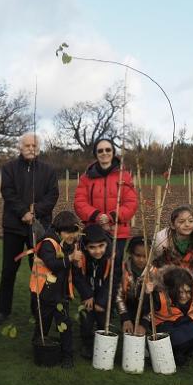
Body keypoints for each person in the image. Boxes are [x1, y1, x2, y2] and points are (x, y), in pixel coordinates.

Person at [0, 133, 59, 325]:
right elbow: (8, 192)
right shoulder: (9, 169)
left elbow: (53, 194)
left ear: (38, 148)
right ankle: (2, 310)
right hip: (14, 226)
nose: (31, 148)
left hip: (39, 228)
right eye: (27, 145)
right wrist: (23, 212)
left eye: (34, 145)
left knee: (39, 269)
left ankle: (38, 308)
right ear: (20, 147)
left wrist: (36, 210)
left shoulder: (48, 170)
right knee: (8, 270)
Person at [73, 138, 137, 297]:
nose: (104, 153)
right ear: (96, 154)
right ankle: (90, 301)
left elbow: (131, 203)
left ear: (113, 152)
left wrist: (111, 217)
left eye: (108, 150)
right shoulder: (86, 177)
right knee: (91, 268)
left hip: (117, 231)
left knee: (114, 269)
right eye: (100, 150)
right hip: (93, 230)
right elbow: (79, 202)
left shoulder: (124, 176)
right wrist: (96, 216)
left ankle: (111, 302)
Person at [31, 211, 89, 369]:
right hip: (45, 292)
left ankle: (67, 355)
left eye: (74, 231)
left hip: (61, 294)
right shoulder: (48, 243)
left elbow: (74, 272)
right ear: (58, 231)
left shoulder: (70, 244)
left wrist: (76, 262)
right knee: (43, 322)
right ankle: (38, 346)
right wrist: (70, 258)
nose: (71, 235)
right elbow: (52, 264)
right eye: (67, 232)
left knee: (65, 325)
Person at [145, 265, 193, 367]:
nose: (184, 296)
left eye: (187, 292)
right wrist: (147, 294)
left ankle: (181, 353)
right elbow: (144, 309)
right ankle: (172, 354)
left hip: (185, 321)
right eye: (180, 292)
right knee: (178, 338)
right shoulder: (159, 296)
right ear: (171, 289)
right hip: (164, 325)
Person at [77, 224, 113, 359]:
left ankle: (102, 345)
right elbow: (78, 276)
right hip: (88, 291)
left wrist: (102, 301)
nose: (97, 251)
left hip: (105, 292)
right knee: (86, 320)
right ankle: (87, 343)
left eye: (100, 246)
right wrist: (87, 295)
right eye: (92, 247)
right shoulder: (80, 256)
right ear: (85, 247)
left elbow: (112, 281)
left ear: (105, 244)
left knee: (102, 319)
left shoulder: (112, 256)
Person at [151, 206, 193, 281]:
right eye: (181, 222)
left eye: (190, 221)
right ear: (172, 225)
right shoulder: (164, 244)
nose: (187, 224)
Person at [116, 236, 150, 336]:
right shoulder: (123, 270)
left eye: (145, 256)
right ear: (130, 253)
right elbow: (118, 296)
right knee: (129, 333)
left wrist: (144, 323)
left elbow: (155, 301)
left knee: (143, 333)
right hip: (128, 305)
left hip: (147, 308)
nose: (141, 260)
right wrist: (125, 318)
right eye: (137, 255)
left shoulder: (153, 273)